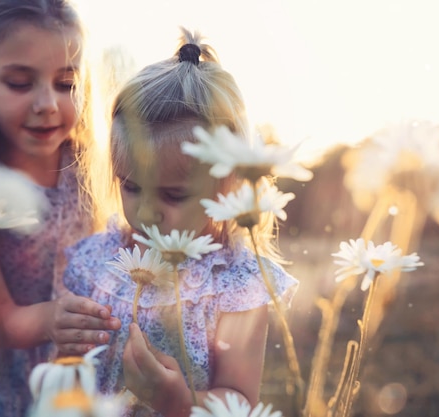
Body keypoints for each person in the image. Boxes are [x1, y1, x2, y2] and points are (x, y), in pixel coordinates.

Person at [62, 28, 298, 417]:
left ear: (231, 184)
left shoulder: (235, 283)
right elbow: (69, 367)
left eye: (173, 195)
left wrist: (180, 402)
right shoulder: (97, 260)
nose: (148, 212)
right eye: (132, 187)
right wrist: (65, 340)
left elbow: (240, 399)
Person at [0, 0, 121, 416]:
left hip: (71, 379)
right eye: (19, 82)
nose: (48, 103)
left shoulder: (86, 170)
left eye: (66, 84)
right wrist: (53, 319)